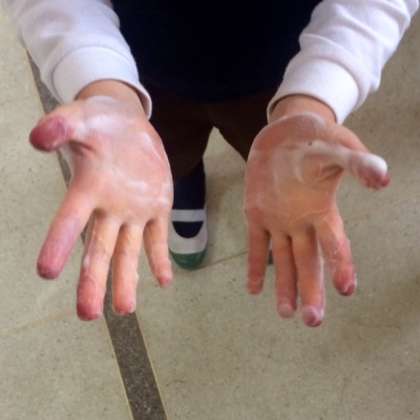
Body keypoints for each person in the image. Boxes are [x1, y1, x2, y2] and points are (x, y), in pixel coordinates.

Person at [4, 0, 418, 326]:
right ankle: (180, 181)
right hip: (136, 66)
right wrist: (101, 83)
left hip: (282, 70)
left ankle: (257, 183)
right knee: (159, 152)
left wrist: (317, 94)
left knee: (269, 150)